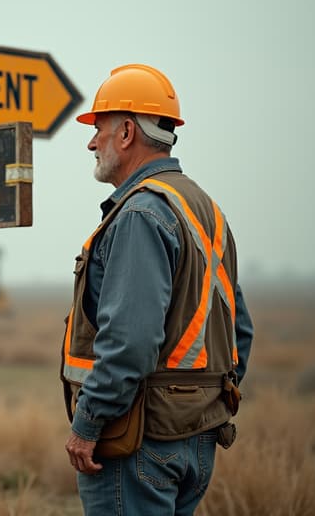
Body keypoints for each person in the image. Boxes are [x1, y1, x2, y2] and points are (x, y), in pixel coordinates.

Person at [61, 64, 254, 515]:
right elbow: (238, 330)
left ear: (127, 132)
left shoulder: (141, 214)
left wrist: (88, 424)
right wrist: (202, 408)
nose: (91, 143)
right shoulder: (207, 211)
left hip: (138, 441)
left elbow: (130, 341)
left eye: (99, 130)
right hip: (197, 442)